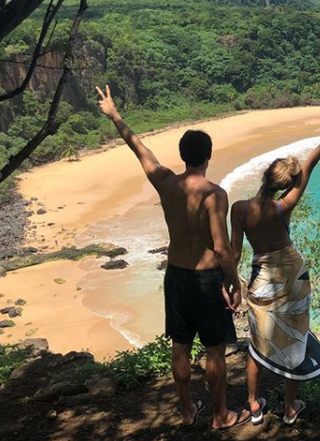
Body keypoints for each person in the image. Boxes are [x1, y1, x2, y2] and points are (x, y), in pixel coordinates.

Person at [96, 85, 250, 432]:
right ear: (208, 156)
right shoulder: (214, 194)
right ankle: (221, 415)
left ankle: (186, 411)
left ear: (183, 156)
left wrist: (115, 116)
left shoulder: (166, 183)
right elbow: (222, 247)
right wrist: (234, 282)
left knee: (180, 346)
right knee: (214, 350)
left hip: (176, 275)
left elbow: (142, 151)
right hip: (207, 279)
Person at [230, 106, 320, 426]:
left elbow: (233, 254)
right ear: (284, 184)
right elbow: (311, 161)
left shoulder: (239, 210)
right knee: (294, 340)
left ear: (264, 175)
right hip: (293, 277)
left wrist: (232, 287)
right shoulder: (285, 206)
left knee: (257, 345)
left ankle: (254, 405)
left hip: (262, 280)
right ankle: (289, 408)